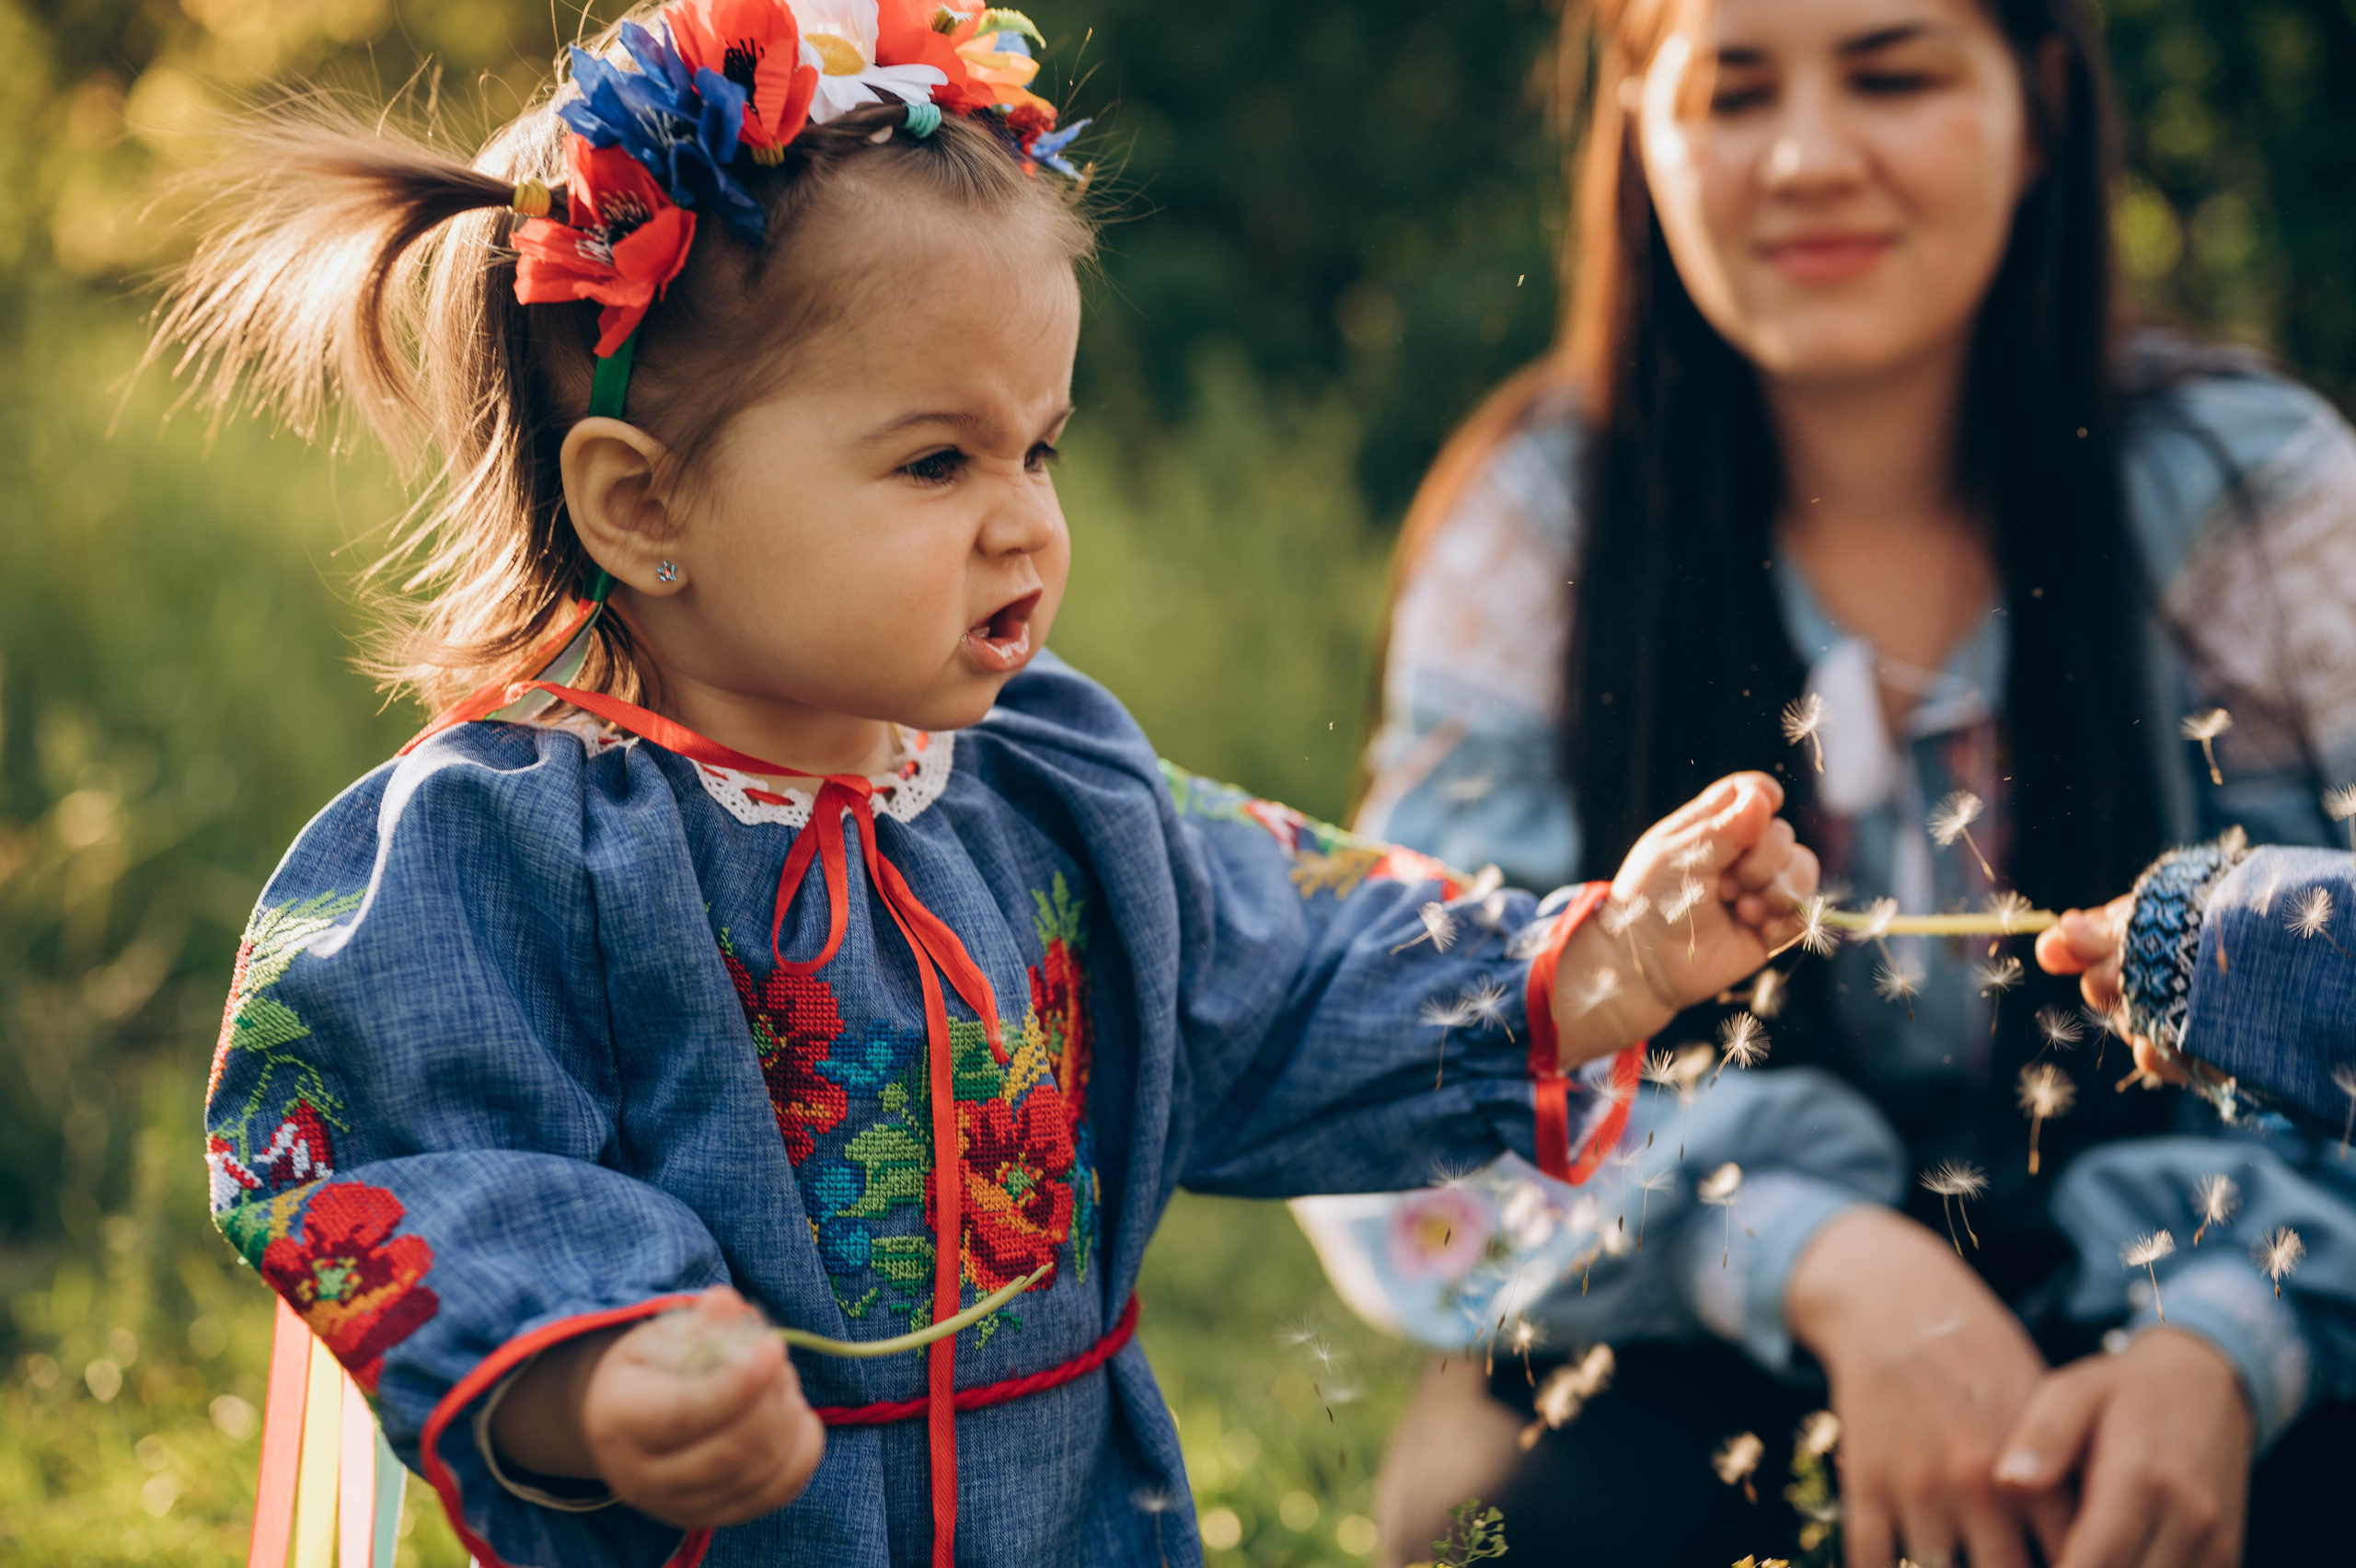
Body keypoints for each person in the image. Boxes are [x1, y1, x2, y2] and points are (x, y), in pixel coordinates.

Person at [161, 4, 1822, 1565]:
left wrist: (1602, 963)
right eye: (935, 460)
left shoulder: (1047, 793)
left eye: (1041, 448)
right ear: (640, 506)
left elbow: (1283, 960)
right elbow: (416, 1144)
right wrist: (592, 1378)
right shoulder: (514, 842)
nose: (1024, 520)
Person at [1293, 0, 2356, 1563]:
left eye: (1893, 71)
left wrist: (2225, 1331)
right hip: (1691, 1304)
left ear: (2043, 101)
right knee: (1520, 1518)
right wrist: (1807, 1248)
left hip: (2230, 1303)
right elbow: (1406, 1058)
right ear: (1640, 128)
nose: (1805, 158)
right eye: (1733, 90)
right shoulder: (1539, 521)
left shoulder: (2252, 499)